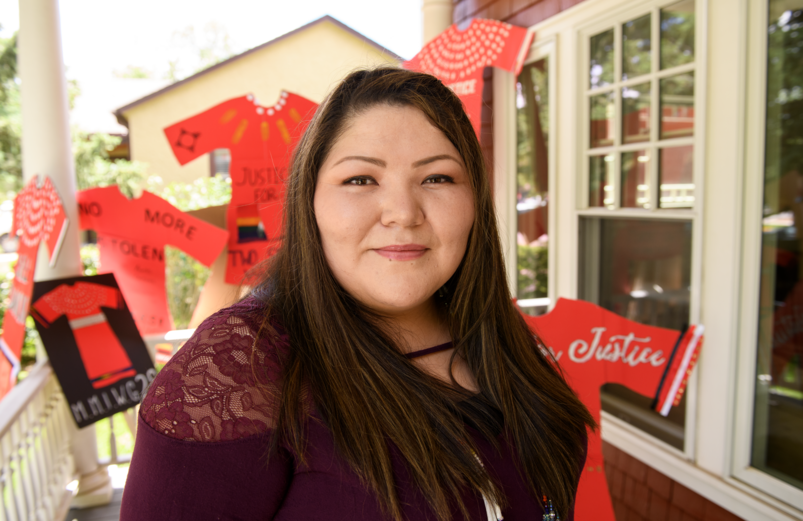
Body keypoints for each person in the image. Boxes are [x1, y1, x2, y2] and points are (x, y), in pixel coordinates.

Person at [121, 67, 595, 521]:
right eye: (360, 179)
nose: (403, 213)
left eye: (437, 177)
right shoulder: (238, 369)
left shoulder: (494, 332)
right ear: (309, 202)